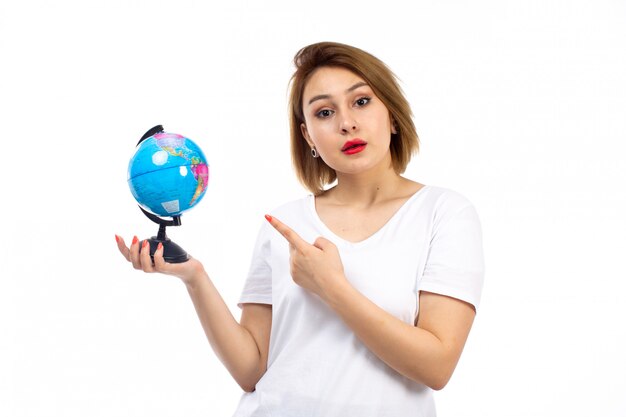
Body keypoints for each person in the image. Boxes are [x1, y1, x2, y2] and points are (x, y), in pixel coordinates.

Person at [116, 41, 484, 416]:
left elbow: (437, 367)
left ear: (392, 115)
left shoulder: (444, 213)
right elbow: (252, 370)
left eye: (361, 102)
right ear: (308, 136)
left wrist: (332, 287)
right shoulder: (284, 223)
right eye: (325, 112)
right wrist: (195, 278)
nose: (346, 123)